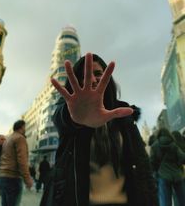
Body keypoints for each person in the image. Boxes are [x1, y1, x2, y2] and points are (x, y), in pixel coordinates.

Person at [40, 53, 158, 206]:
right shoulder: (69, 111)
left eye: (98, 74)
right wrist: (77, 117)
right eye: (84, 76)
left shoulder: (123, 113)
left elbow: (143, 168)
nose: (93, 79)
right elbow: (61, 118)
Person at [0, 120, 33, 206]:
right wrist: (27, 179)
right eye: (25, 127)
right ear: (22, 127)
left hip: (3, 176)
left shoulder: (8, 139)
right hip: (12, 177)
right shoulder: (20, 138)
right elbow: (22, 160)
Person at [150, 127, 185, 206]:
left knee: (165, 201)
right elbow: (182, 158)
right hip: (177, 175)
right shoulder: (174, 144)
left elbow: (152, 163)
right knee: (182, 200)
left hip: (163, 176)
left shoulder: (154, 146)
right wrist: (177, 164)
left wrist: (156, 173)